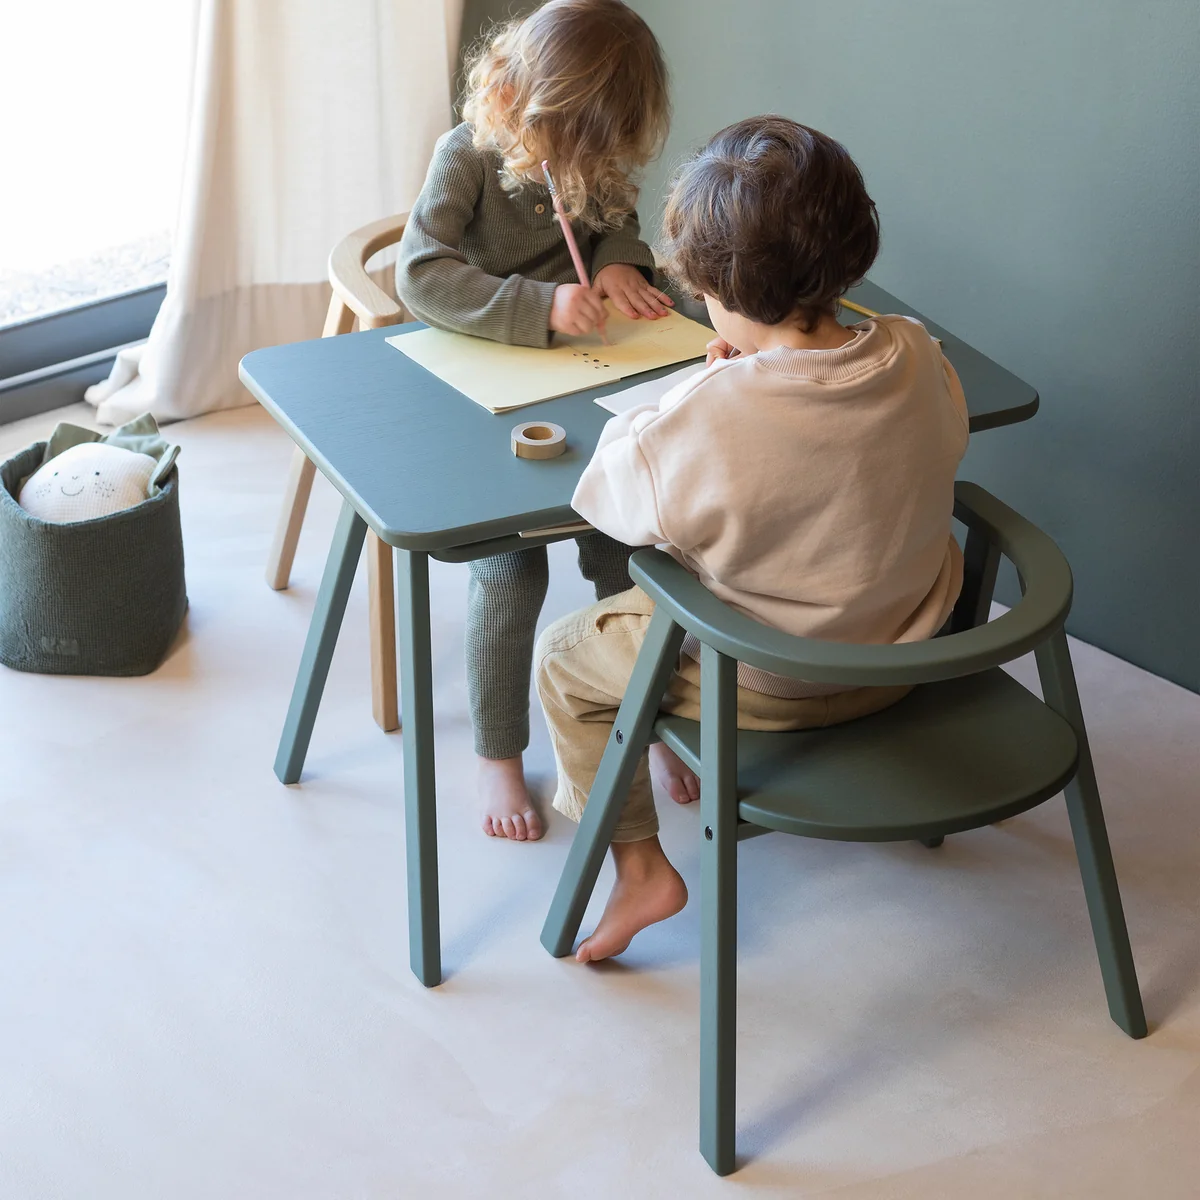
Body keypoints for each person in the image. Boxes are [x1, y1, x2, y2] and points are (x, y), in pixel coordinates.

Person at [535, 115, 971, 961]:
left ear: (718, 291)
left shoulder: (713, 415)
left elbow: (610, 496)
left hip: (772, 684)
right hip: (908, 655)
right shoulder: (918, 352)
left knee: (563, 659)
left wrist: (699, 396)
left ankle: (641, 870)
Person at [395, 0, 672, 840]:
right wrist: (538, 305)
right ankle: (499, 754)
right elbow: (420, 272)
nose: (590, 161)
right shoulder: (467, 155)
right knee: (511, 574)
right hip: (492, 382)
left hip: (584, 380)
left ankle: (647, 718)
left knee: (630, 545)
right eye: (575, 140)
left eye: (602, 148)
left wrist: (619, 264)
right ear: (518, 99)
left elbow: (616, 220)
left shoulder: (590, 152)